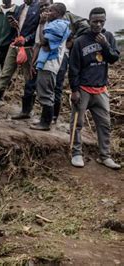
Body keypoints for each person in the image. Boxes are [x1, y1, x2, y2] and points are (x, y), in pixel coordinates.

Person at [68, 7, 121, 170]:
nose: (98, 24)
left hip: (101, 90)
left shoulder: (109, 37)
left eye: (101, 21)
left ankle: (105, 156)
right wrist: (74, 90)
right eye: (95, 21)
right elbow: (74, 67)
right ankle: (76, 153)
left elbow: (113, 58)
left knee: (105, 124)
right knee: (77, 123)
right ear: (89, 21)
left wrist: (104, 44)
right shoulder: (80, 41)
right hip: (83, 89)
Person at [0, 0, 40, 113]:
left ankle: (27, 110)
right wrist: (14, 25)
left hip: (29, 48)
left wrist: (26, 39)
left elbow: (38, 29)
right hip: (15, 45)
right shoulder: (21, 8)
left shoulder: (38, 8)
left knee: (29, 77)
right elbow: (16, 27)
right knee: (5, 74)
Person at [30, 3, 70, 131]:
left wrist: (41, 24)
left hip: (49, 64)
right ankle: (44, 121)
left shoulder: (58, 25)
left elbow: (44, 44)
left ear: (58, 13)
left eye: (50, 10)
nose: (47, 12)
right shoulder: (58, 24)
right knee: (45, 92)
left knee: (46, 94)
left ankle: (45, 123)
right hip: (48, 63)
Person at [52, 11, 90, 123]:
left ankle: (53, 117)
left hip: (63, 55)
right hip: (48, 55)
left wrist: (74, 39)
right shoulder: (43, 17)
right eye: (42, 6)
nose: (45, 8)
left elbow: (85, 26)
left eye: (47, 5)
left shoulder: (67, 15)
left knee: (57, 86)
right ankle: (45, 116)